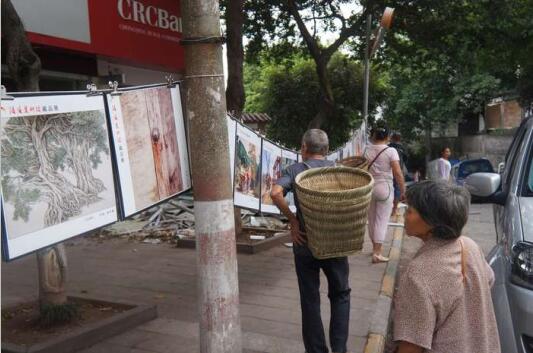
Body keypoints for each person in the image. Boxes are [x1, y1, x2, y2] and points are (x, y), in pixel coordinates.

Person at [393, 181, 500, 353]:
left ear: (431, 223)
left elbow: (410, 346)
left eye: (410, 210)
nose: (405, 214)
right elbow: (489, 280)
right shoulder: (469, 246)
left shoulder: (418, 274)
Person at [271, 129, 350, 353]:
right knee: (341, 294)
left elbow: (276, 193)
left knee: (310, 298)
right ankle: (339, 349)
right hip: (335, 241)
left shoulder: (295, 170)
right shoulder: (338, 171)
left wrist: (293, 221)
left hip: (305, 241)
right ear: (326, 150)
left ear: (304, 148)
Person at [364, 124, 406, 263]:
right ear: (388, 137)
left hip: (369, 187)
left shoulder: (366, 150)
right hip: (385, 188)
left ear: (373, 136)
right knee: (381, 220)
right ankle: (377, 252)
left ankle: (374, 249)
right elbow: (398, 173)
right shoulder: (391, 151)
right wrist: (403, 189)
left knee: (372, 220)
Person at [388, 132, 408, 216]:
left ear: (392, 138)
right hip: (398, 169)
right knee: (397, 189)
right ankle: (394, 209)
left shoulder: (388, 146)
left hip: (388, 170)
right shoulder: (402, 148)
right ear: (399, 139)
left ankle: (388, 208)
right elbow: (406, 158)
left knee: (389, 189)